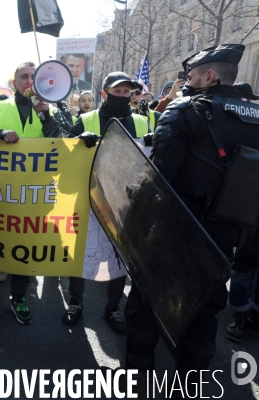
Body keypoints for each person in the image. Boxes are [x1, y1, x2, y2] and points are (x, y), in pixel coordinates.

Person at [136, 44, 259, 385]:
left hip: (175, 228)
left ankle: (138, 384)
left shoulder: (186, 110)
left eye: (190, 76)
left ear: (209, 76)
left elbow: (158, 180)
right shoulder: (255, 116)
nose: (186, 82)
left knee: (147, 304)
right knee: (204, 312)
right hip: (225, 236)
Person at [0, 61, 71, 325]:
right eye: (23, 76)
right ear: (14, 83)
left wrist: (45, 115)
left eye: (34, 77)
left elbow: (63, 147)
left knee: (26, 249)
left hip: (35, 198)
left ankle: (19, 297)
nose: (29, 81)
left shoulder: (53, 110)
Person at [66, 71, 150, 334]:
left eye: (128, 92)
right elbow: (63, 157)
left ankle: (113, 307)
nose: (124, 96)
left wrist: (154, 142)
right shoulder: (84, 120)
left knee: (120, 258)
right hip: (87, 200)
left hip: (125, 203)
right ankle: (75, 303)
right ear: (104, 94)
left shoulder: (143, 123)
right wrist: (77, 142)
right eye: (118, 92)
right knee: (80, 253)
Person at [222, 81, 259, 342]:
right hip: (244, 205)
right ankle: (239, 314)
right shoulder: (225, 123)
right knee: (245, 261)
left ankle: (252, 313)